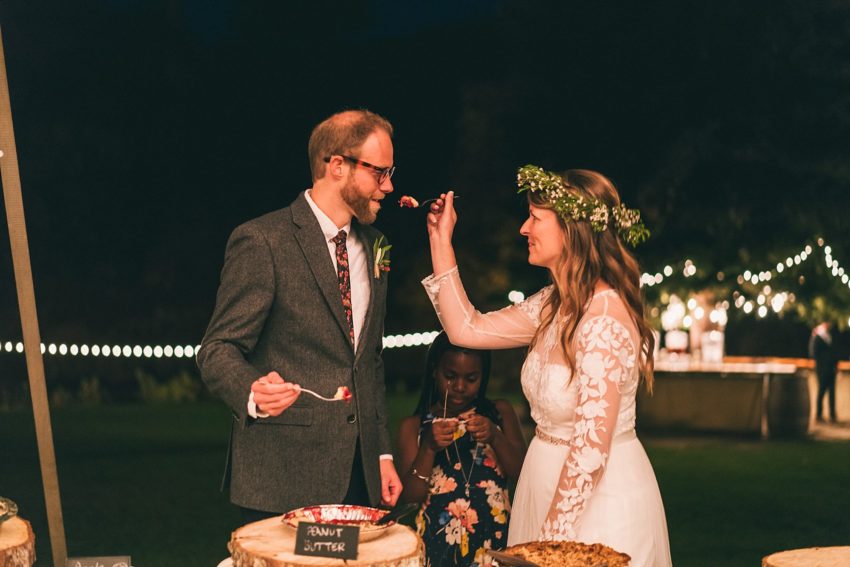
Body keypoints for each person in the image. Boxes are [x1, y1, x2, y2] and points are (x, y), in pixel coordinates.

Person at [421, 165, 672, 566]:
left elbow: (590, 452)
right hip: (542, 485)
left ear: (572, 230)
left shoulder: (603, 317)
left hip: (600, 504)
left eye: (536, 218)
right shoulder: (553, 304)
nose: (524, 228)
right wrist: (440, 240)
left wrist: (547, 549)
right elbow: (466, 328)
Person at [197, 109, 402, 524]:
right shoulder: (263, 240)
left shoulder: (377, 245)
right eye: (379, 172)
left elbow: (369, 360)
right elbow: (217, 349)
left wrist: (380, 452)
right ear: (337, 165)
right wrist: (252, 390)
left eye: (390, 172)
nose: (389, 186)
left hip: (359, 474)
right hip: (281, 476)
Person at [397, 331, 526, 567]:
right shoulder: (414, 426)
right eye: (450, 376)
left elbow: (521, 472)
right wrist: (427, 448)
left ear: (483, 377)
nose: (459, 386)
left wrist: (495, 437)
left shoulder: (499, 413)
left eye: (471, 378)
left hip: (494, 541)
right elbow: (409, 497)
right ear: (435, 371)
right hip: (437, 542)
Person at [809, 322, 839, 423]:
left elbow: (835, 353)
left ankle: (832, 415)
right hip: (822, 370)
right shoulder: (817, 338)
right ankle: (819, 415)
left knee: (832, 393)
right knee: (821, 392)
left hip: (831, 369)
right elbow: (813, 354)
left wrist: (835, 365)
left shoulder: (830, 338)